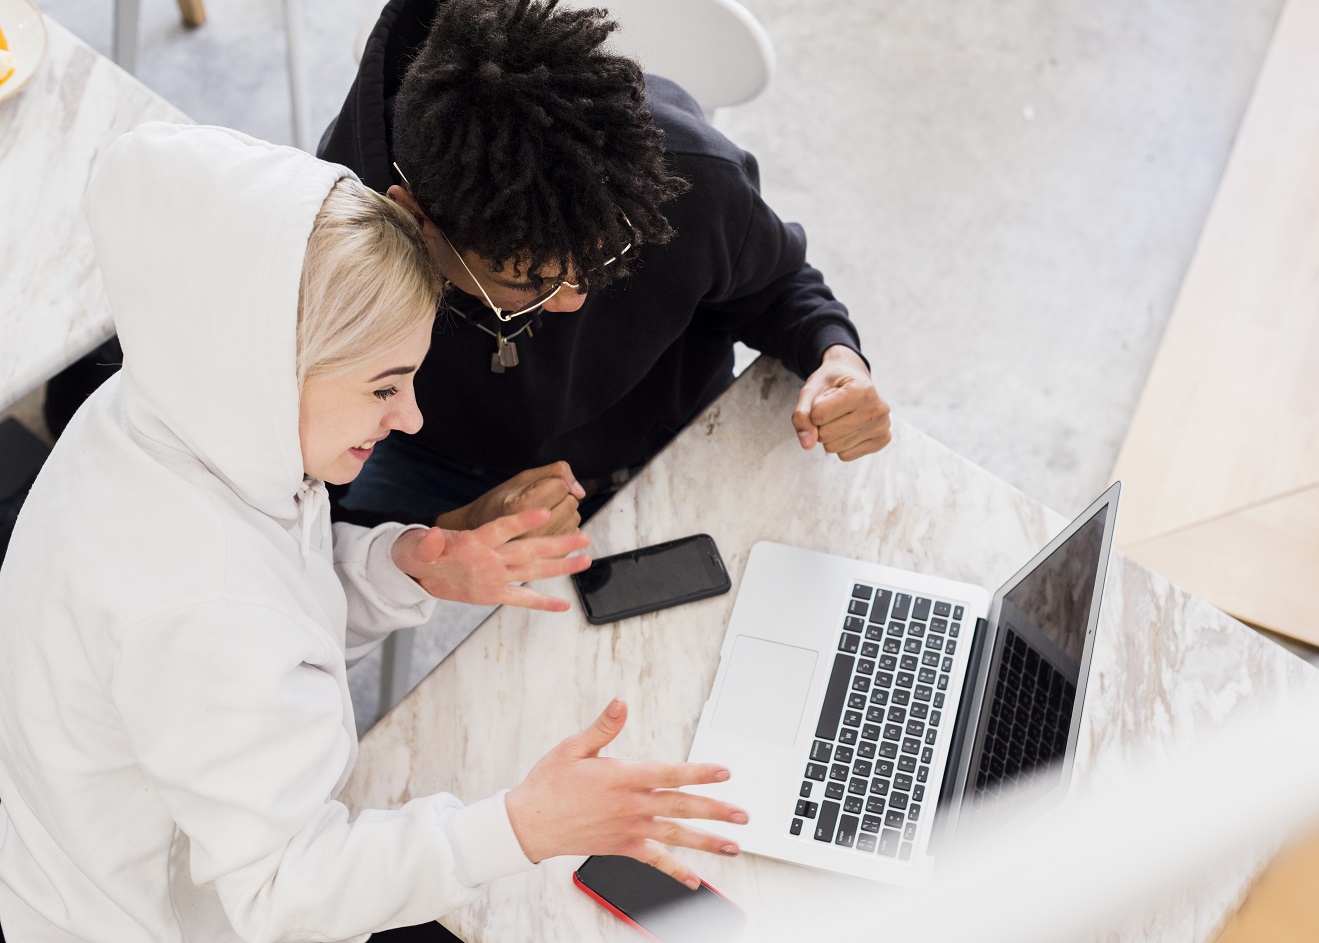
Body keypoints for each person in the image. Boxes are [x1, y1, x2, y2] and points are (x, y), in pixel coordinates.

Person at [0, 124, 745, 943]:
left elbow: (276, 599)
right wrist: (523, 825)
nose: (411, 416)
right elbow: (285, 896)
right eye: (384, 387)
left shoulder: (168, 408)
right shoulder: (200, 609)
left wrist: (407, 565)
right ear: (266, 367)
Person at [318, 0, 894, 535]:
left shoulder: (681, 176)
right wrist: (460, 526)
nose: (574, 301)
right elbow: (301, 513)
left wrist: (835, 354)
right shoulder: (335, 254)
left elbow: (776, 287)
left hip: (665, 440)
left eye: (604, 259)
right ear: (414, 219)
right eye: (528, 283)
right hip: (434, 462)